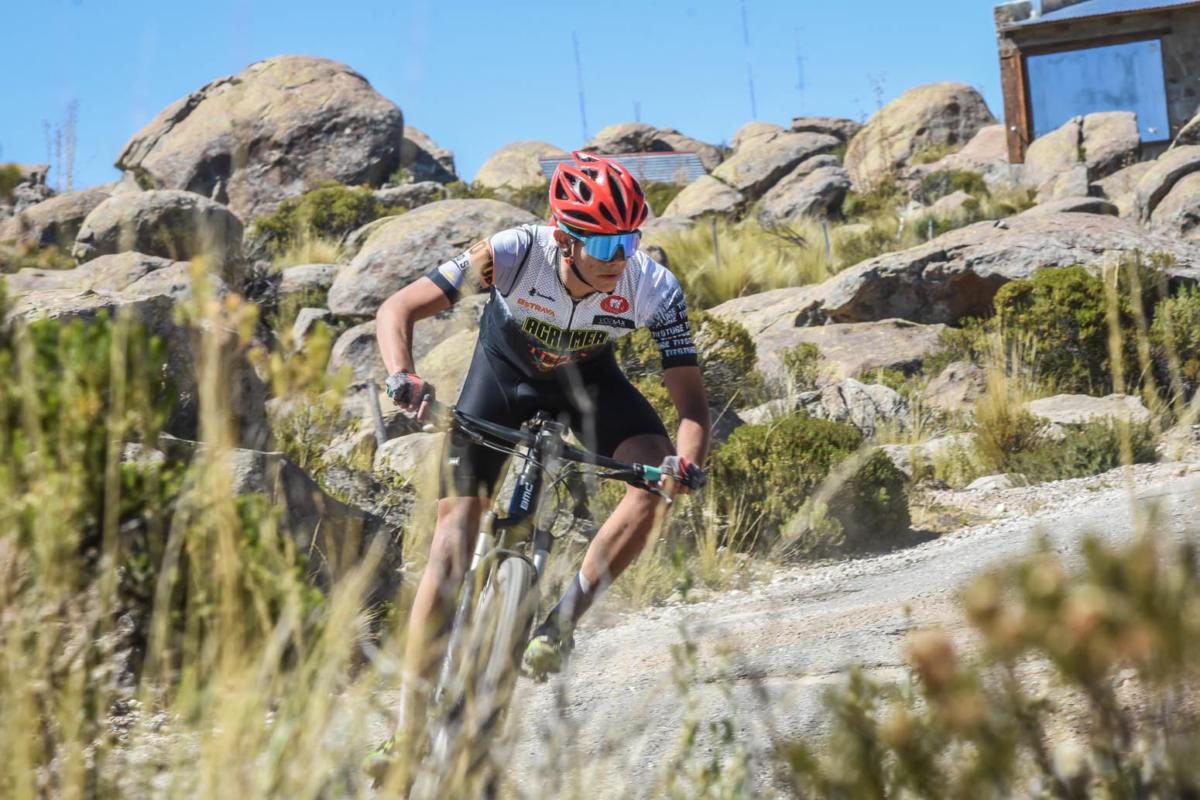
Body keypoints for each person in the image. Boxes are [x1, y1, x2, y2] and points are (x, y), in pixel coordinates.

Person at [374, 150, 710, 746]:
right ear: (564, 237)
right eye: (603, 245)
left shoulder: (654, 287)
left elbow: (691, 403)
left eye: (629, 241)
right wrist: (404, 375)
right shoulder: (512, 252)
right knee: (451, 541)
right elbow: (398, 308)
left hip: (590, 385)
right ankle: (406, 726)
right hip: (502, 378)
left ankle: (560, 624)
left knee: (652, 483)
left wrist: (683, 465)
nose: (619, 259)